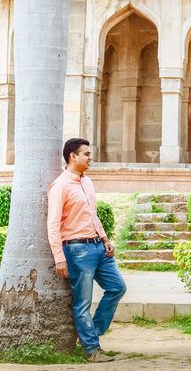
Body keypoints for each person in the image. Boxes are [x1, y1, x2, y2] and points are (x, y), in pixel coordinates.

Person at [48, 137, 126, 363]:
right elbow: (53, 224)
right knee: (82, 302)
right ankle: (92, 350)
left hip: (99, 248)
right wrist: (59, 258)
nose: (90, 158)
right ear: (73, 156)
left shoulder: (87, 182)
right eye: (86, 154)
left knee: (117, 288)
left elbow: (93, 214)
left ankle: (91, 332)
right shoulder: (60, 186)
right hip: (77, 250)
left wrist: (105, 238)